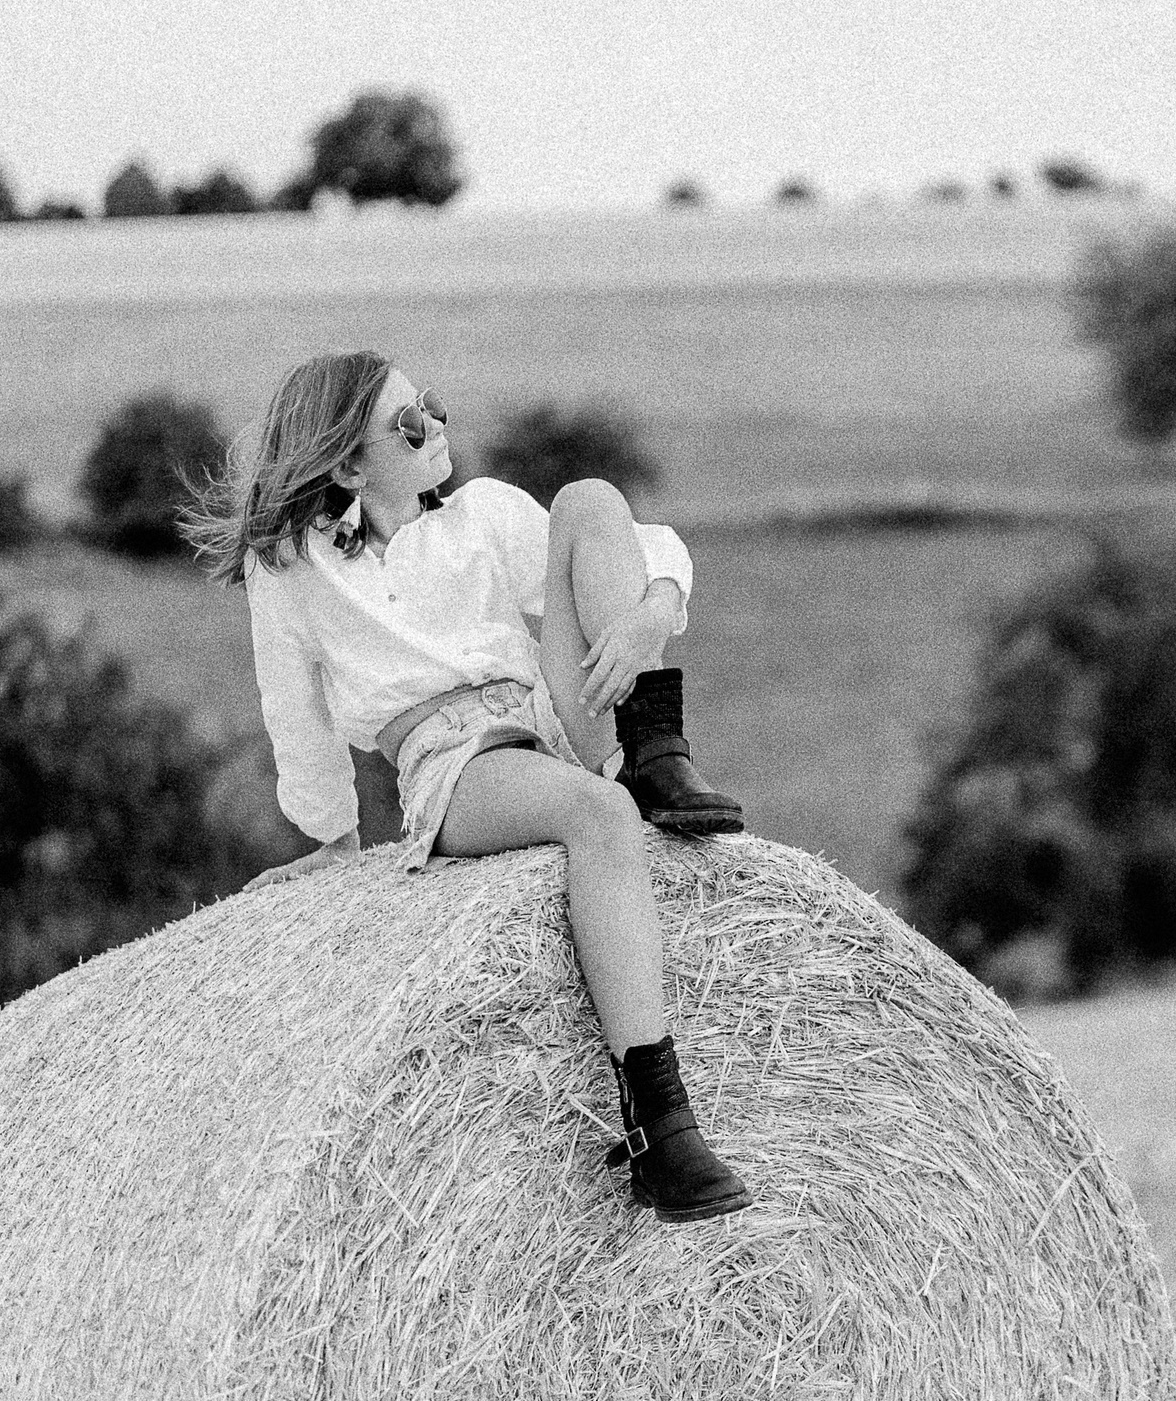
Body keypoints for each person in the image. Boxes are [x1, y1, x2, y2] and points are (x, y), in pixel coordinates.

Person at [184, 350, 752, 1223]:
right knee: (598, 815)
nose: (436, 426)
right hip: (453, 765)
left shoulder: (482, 516)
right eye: (409, 422)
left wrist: (649, 613)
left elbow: (651, 551)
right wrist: (332, 836)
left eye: (434, 406)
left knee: (592, 500)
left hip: (554, 716)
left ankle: (655, 752)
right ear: (346, 464)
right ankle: (658, 1124)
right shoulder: (295, 569)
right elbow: (290, 708)